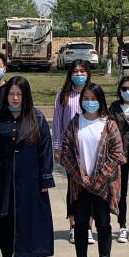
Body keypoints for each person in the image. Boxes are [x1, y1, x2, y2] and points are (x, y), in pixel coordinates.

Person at [0, 76, 55, 257]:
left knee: (30, 222)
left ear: (26, 95)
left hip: (30, 180)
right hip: (3, 179)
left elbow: (46, 150)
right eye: (11, 94)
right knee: (5, 221)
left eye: (19, 94)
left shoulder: (37, 118)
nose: (15, 98)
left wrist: (45, 178)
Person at [61, 84, 125, 257]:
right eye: (86, 99)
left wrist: (99, 178)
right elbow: (65, 152)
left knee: (103, 224)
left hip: (103, 186)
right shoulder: (75, 123)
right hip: (80, 185)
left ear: (101, 101)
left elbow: (117, 153)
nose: (90, 102)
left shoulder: (109, 124)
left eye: (94, 99)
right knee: (80, 224)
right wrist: (81, 178)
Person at [53, 59, 92, 244]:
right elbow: (57, 122)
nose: (79, 75)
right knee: (73, 188)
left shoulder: (92, 94)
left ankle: (88, 227)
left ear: (88, 74)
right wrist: (57, 147)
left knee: (91, 188)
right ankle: (74, 226)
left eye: (82, 71)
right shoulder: (63, 95)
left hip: (90, 149)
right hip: (70, 150)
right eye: (75, 71)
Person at [108, 76, 129, 243]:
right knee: (121, 192)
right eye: (124, 89)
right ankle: (122, 226)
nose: (127, 92)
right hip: (119, 156)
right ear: (119, 90)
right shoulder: (114, 108)